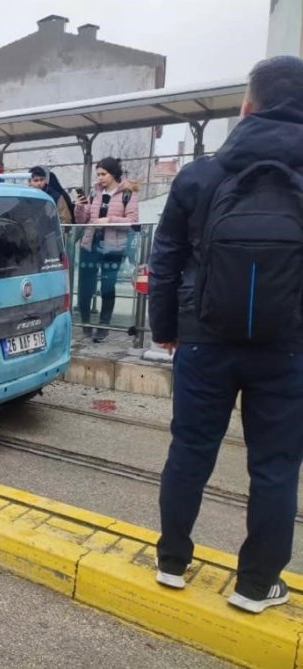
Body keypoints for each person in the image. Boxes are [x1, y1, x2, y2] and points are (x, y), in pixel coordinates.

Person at [149, 55, 303, 614]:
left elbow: (165, 259)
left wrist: (166, 328)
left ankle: (171, 562)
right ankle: (256, 586)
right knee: (276, 466)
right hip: (289, 346)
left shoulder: (199, 175)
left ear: (246, 106)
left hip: (203, 337)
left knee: (190, 450)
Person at [74, 157, 139, 342]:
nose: (100, 178)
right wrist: (79, 207)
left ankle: (103, 326)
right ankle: (86, 324)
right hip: (90, 244)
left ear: (113, 174)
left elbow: (133, 221)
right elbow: (82, 220)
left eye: (103, 174)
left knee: (108, 287)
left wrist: (109, 220)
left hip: (113, 248)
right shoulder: (94, 192)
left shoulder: (128, 194)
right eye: (98, 174)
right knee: (85, 287)